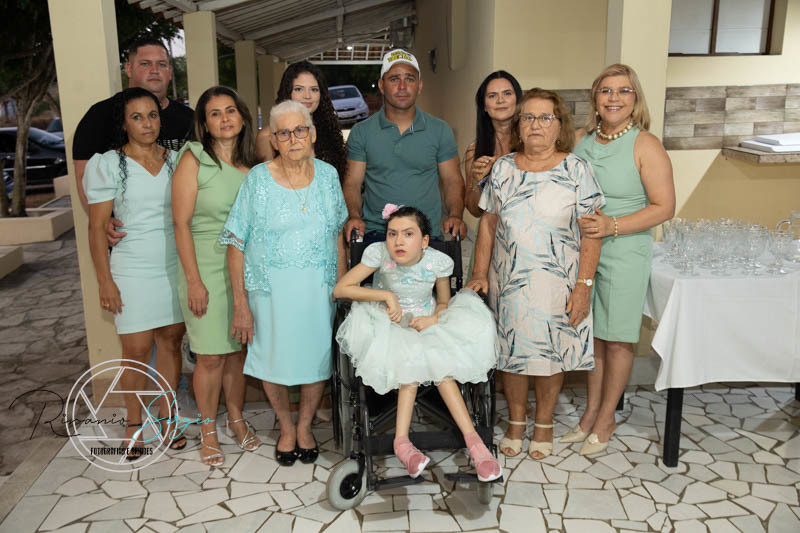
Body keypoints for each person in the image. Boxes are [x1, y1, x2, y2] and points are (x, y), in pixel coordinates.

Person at [467, 89, 605, 460]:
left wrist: (584, 286)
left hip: (560, 282)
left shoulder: (577, 170)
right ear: (518, 125)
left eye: (545, 118)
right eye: (528, 117)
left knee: (550, 354)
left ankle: (544, 423)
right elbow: (488, 224)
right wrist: (479, 272)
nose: (536, 125)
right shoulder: (503, 168)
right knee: (512, 351)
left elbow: (592, 233)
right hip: (510, 280)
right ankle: (516, 421)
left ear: (560, 125)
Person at [334, 205, 501, 480]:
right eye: (392, 234)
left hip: (425, 320)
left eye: (408, 234)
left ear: (424, 241)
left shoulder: (437, 262)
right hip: (386, 323)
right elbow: (341, 289)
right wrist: (386, 297)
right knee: (409, 358)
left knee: (441, 367)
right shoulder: (379, 254)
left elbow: (444, 302)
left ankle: (475, 444)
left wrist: (434, 319)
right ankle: (402, 442)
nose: (398, 241)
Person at [222, 100, 346, 466]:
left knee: (316, 360)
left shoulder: (328, 176)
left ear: (312, 134)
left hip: (318, 291)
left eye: (300, 130)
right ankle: (286, 428)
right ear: (274, 140)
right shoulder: (258, 180)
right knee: (272, 360)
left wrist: (340, 289)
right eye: (284, 133)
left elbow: (337, 236)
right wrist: (241, 304)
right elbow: (235, 242)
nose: (293, 139)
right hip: (270, 293)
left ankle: (304, 427)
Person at [564, 64, 675, 455]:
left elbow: (664, 207)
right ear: (595, 98)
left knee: (617, 338)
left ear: (635, 99)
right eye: (606, 90)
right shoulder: (580, 139)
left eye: (623, 91)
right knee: (593, 335)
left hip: (625, 248)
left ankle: (606, 418)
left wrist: (612, 225)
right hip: (583, 250)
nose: (614, 98)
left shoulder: (646, 144)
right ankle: (589, 413)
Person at [84, 87, 186, 458]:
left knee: (171, 342)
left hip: (173, 264)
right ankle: (133, 424)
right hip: (131, 267)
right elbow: (97, 227)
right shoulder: (108, 164)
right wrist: (105, 281)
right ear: (124, 124)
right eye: (137, 117)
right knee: (137, 350)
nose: (147, 124)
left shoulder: (179, 160)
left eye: (152, 115)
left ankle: (169, 417)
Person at [172, 86, 262, 466]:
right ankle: (208, 429)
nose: (225, 118)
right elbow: (180, 224)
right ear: (204, 124)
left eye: (231, 110)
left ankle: (236, 419)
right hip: (205, 267)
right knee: (209, 356)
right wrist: (194, 281)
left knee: (237, 352)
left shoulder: (253, 167)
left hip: (244, 269)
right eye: (215, 113)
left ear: (242, 117)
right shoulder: (193, 159)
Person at [343, 49, 467, 243]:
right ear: (382, 86)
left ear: (419, 86)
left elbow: (452, 180)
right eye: (394, 79)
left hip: (426, 235)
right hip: (378, 235)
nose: (402, 86)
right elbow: (352, 183)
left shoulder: (440, 130)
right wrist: (354, 216)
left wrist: (456, 215)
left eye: (410, 79)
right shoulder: (361, 132)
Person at [74, 38, 193, 218]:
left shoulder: (189, 119)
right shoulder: (100, 115)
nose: (154, 70)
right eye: (145, 64)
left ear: (170, 72)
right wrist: (103, 222)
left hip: (181, 225)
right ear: (129, 69)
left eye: (161, 64)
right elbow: (84, 175)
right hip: (126, 229)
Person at [463, 71, 523, 279]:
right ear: (484, 106)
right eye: (492, 95)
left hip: (526, 242)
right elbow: (474, 210)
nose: (500, 100)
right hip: (489, 240)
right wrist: (476, 179)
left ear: (518, 100)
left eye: (507, 93)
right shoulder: (475, 150)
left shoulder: (532, 146)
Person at [255, 61, 347, 179]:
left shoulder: (329, 130)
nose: (307, 96)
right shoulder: (267, 136)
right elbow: (264, 182)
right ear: (287, 92)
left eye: (314, 89)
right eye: (299, 89)